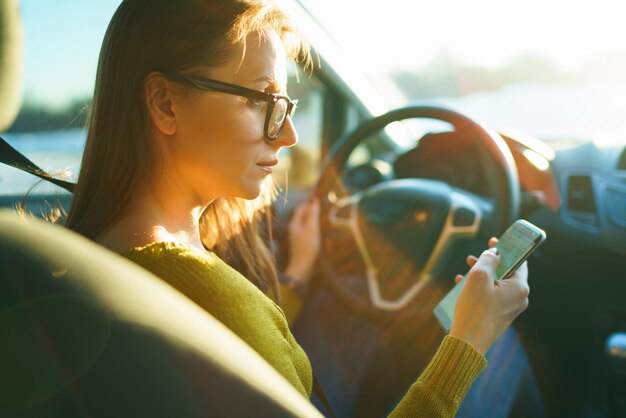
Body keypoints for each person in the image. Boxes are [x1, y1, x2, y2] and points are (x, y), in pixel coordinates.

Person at [65, 0, 530, 416]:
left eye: (284, 105)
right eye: (261, 100)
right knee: (504, 352)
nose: (289, 136)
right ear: (165, 105)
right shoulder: (211, 294)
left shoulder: (86, 255)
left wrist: (299, 274)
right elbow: (241, 327)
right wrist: (469, 340)